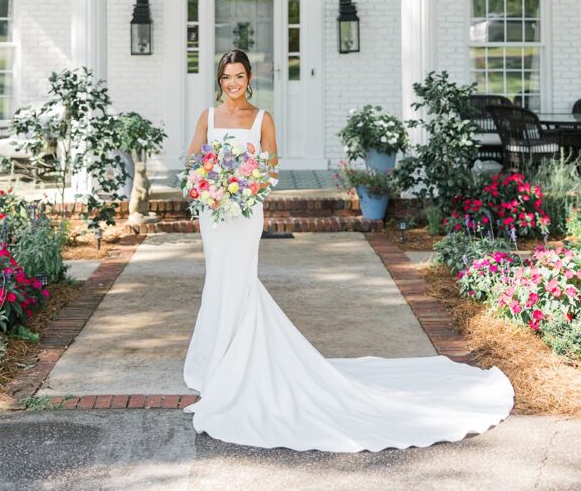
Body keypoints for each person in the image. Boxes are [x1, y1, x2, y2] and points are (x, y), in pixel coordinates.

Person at [182, 48, 514, 452]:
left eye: (238, 77)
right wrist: (210, 182)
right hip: (216, 213)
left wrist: (246, 185)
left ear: (250, 78)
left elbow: (270, 168)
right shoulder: (208, 117)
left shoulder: (262, 119)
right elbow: (192, 159)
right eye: (226, 78)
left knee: (238, 282)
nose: (232, 84)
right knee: (216, 282)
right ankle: (216, 365)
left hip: (246, 211)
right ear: (219, 81)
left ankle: (234, 369)